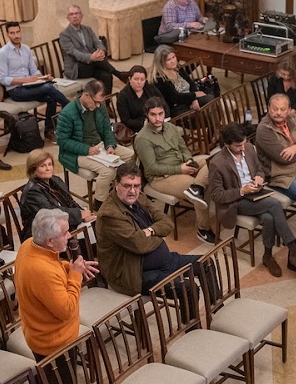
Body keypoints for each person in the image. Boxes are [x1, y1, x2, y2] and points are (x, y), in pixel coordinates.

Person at [208, 124, 296, 277]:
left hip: (256, 193)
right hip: (236, 201)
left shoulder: (249, 148)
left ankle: (267, 256)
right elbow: (216, 195)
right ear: (227, 144)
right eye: (238, 146)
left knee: (269, 218)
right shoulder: (217, 163)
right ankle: (294, 250)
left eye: (244, 143)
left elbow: (259, 169)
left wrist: (259, 177)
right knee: (274, 204)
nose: (243, 148)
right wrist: (242, 191)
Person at [95, 165, 203, 295]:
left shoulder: (139, 197)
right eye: (127, 186)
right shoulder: (109, 214)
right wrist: (159, 232)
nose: (133, 191)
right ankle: (192, 316)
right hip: (134, 273)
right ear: (116, 184)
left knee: (205, 263)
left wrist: (150, 231)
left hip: (164, 261)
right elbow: (139, 244)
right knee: (188, 288)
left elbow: (167, 222)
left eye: (136, 186)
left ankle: (216, 309)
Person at [15, 209, 98, 360]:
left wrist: (70, 267)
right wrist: (75, 275)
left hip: (41, 331)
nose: (69, 236)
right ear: (50, 241)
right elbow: (67, 311)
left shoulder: (29, 244)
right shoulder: (41, 271)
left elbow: (54, 264)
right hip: (54, 345)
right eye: (65, 232)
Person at [133, 97, 214, 244]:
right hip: (162, 177)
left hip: (182, 165)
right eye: (153, 114)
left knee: (212, 161)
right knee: (196, 184)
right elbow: (152, 168)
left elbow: (183, 148)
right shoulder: (142, 138)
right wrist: (180, 169)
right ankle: (203, 229)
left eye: (160, 114)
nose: (157, 118)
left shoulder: (170, 127)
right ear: (147, 115)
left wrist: (189, 160)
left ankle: (197, 188)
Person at [55, 79, 134, 206]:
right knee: (108, 171)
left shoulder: (99, 107)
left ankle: (118, 191)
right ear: (86, 95)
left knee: (132, 156)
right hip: (76, 153)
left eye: (100, 102)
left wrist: (110, 144)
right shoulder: (67, 114)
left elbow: (106, 128)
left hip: (99, 146)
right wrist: (86, 149)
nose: (98, 106)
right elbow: (62, 141)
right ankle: (100, 202)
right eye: (96, 102)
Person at [0, 22, 69, 140]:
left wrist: (42, 77)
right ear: (7, 35)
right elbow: (3, 79)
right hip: (16, 91)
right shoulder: (3, 53)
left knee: (51, 96)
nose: (16, 35)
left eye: (18, 32)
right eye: (12, 33)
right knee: (49, 88)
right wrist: (26, 80)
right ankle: (71, 107)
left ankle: (48, 130)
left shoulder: (26, 49)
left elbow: (34, 70)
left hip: (30, 86)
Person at [255, 93, 296, 209]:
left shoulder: (294, 118)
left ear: (289, 110)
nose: (278, 113)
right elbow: (283, 158)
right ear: (268, 109)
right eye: (275, 109)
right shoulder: (264, 129)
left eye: (282, 109)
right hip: (281, 176)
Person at [19, 150, 94, 242]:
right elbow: (52, 214)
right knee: (94, 243)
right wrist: (79, 215)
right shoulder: (32, 192)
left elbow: (69, 201)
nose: (48, 168)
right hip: (45, 236)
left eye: (50, 164)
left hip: (62, 226)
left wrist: (83, 213)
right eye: (43, 166)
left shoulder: (55, 180)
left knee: (99, 229)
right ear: (33, 170)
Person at [59, 4, 124, 93]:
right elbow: (74, 53)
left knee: (107, 76)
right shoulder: (64, 35)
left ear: (81, 16)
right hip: (76, 68)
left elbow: (97, 43)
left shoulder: (87, 29)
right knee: (96, 62)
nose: (74, 16)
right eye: (71, 14)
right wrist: (91, 57)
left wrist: (101, 51)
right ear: (68, 18)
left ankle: (106, 103)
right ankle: (118, 74)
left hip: (92, 65)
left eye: (77, 13)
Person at [150, 45, 213, 117]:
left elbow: (191, 83)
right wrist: (194, 95)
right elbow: (175, 97)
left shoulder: (177, 68)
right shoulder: (159, 78)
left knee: (210, 99)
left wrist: (194, 99)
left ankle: (215, 127)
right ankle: (215, 127)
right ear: (161, 62)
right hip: (177, 108)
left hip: (189, 100)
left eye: (174, 57)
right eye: (168, 60)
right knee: (206, 108)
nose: (173, 61)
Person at [115, 65, 163, 134]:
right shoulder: (123, 96)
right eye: (136, 79)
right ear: (130, 79)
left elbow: (163, 103)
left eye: (142, 80)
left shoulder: (150, 88)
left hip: (157, 122)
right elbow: (125, 120)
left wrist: (161, 117)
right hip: (137, 129)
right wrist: (144, 123)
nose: (139, 82)